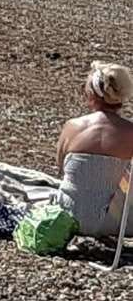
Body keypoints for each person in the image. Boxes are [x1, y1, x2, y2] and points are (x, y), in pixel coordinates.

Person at [55, 62, 133, 241]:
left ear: (91, 93)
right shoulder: (130, 132)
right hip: (119, 224)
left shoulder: (72, 127)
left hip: (68, 214)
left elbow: (61, 169)